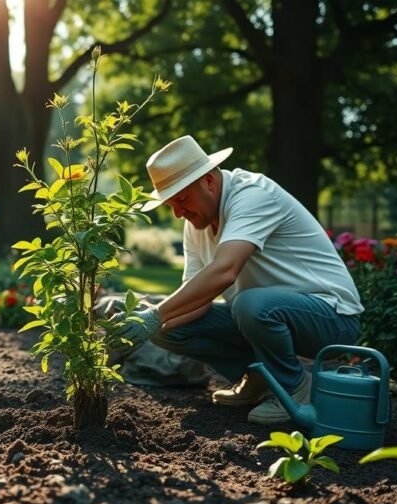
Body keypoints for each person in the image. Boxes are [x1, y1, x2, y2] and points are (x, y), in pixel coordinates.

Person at [112, 135, 363, 424]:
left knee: (248, 305)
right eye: (170, 204)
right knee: (167, 328)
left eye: (181, 199)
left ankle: (294, 389)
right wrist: (144, 327)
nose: (178, 213)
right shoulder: (198, 222)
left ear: (208, 181)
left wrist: (156, 314)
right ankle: (259, 379)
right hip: (264, 316)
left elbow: (224, 270)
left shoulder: (252, 195)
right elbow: (197, 301)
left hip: (331, 318)